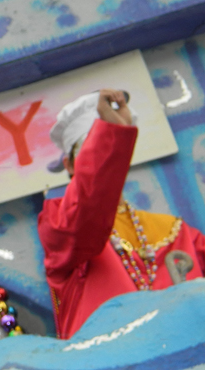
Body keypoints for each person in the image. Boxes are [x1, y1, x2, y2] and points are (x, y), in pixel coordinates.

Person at [38, 89, 205, 339]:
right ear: (69, 164)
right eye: (90, 148)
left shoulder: (179, 233)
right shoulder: (60, 227)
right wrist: (113, 134)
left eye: (104, 145)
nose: (102, 156)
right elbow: (85, 210)